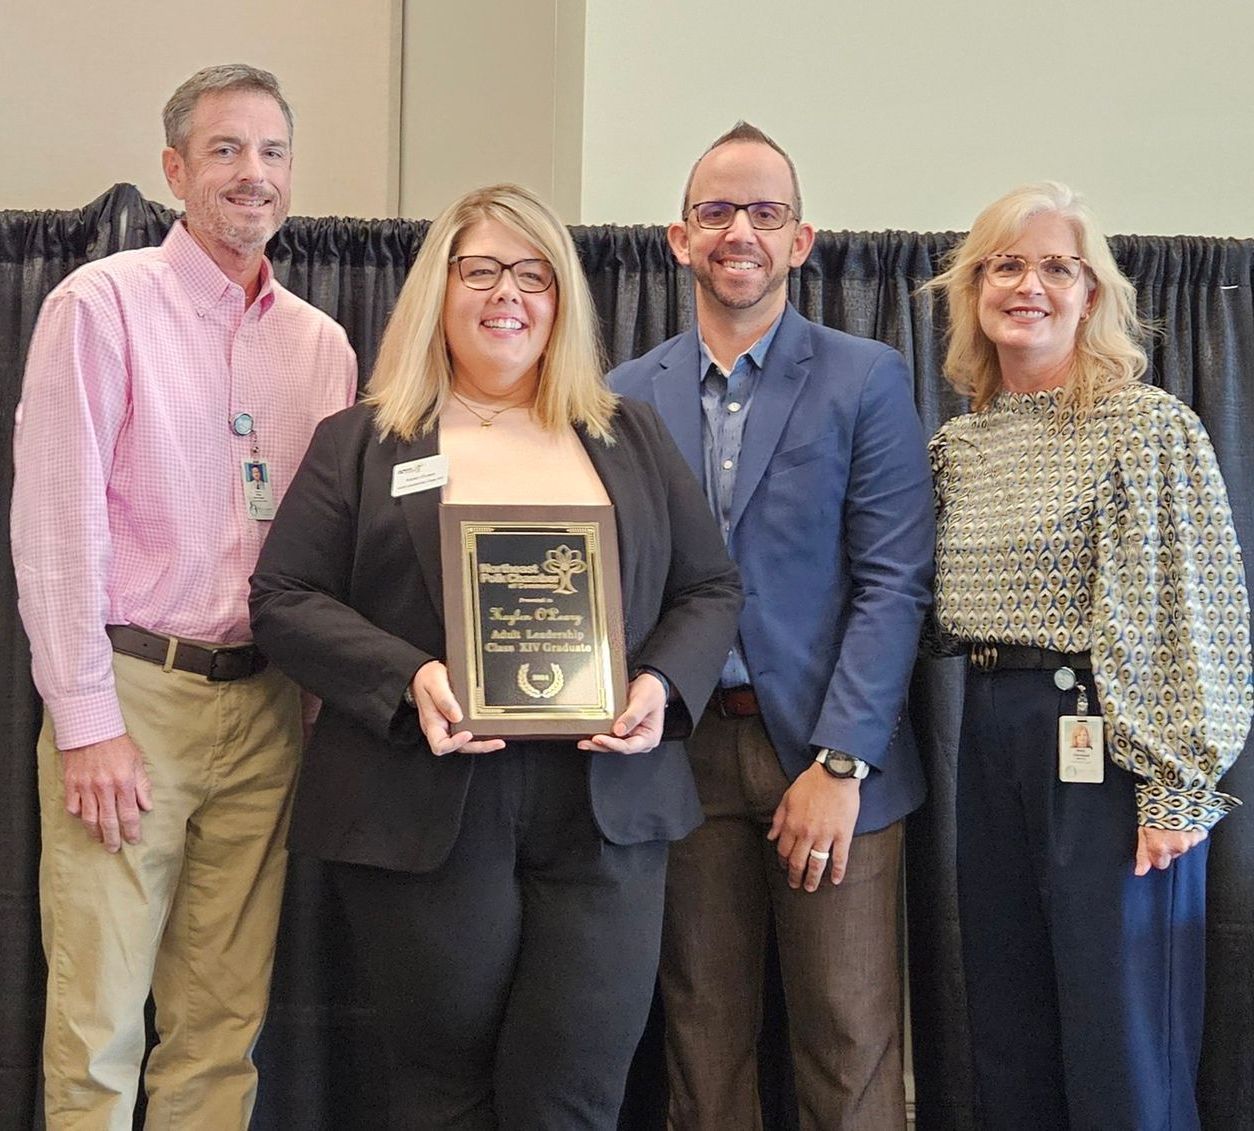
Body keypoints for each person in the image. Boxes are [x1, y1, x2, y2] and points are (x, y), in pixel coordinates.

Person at [248, 182, 741, 1129]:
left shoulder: (626, 434)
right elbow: (283, 599)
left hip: (603, 808)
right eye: (479, 270)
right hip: (425, 804)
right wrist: (410, 679)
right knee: (443, 1092)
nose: (506, 294)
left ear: (562, 302)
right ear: (440, 289)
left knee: (577, 1091)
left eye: (532, 274)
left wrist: (660, 684)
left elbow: (710, 587)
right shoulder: (364, 442)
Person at [11, 64, 357, 1129]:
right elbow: (56, 526)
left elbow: (326, 557)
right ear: (174, 170)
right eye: (225, 150)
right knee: (97, 1031)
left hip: (266, 713)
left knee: (221, 1033)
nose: (252, 174)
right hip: (132, 702)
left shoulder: (321, 348)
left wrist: (305, 713)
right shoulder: (101, 306)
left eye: (271, 152)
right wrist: (86, 722)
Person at [609, 122, 934, 1129]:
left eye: (765, 211)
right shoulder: (623, 395)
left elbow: (894, 585)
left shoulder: (866, 376)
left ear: (802, 240)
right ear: (678, 238)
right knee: (701, 1042)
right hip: (683, 756)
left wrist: (841, 767)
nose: (738, 230)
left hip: (832, 758)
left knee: (847, 1041)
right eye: (716, 211)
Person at [927, 181, 1252, 1129]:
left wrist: (1179, 786)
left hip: (1109, 742)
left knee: (1123, 1042)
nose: (1029, 284)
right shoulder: (961, 443)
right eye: (1005, 264)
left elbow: (1204, 616)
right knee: (1007, 1026)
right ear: (975, 291)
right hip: (989, 735)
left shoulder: (1149, 428)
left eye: (1056, 266)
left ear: (1092, 294)